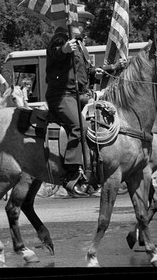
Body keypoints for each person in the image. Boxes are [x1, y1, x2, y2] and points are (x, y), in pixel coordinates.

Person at [45, 24, 100, 197]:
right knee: (80, 126)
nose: (86, 25)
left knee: (99, 123)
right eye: (84, 21)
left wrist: (99, 72)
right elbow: (54, 52)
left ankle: (94, 171)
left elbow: (83, 71)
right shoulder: (60, 38)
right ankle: (71, 173)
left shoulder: (80, 44)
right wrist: (63, 49)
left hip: (79, 94)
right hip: (61, 95)